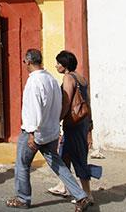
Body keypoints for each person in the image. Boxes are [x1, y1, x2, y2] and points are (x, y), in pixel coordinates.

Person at [5, 49, 90, 210]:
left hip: (35, 132)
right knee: (58, 165)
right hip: (50, 131)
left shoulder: (34, 81)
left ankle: (23, 198)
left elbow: (33, 109)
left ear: (28, 61)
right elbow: (59, 104)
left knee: (22, 164)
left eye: (25, 61)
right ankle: (80, 195)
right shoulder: (51, 79)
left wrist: (31, 133)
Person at [47, 51, 94, 202]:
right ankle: (63, 185)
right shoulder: (81, 78)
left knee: (78, 158)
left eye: (58, 63)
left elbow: (66, 102)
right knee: (64, 155)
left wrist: (57, 119)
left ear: (65, 65)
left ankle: (87, 194)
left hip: (73, 123)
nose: (56, 66)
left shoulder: (68, 78)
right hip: (82, 121)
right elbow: (87, 102)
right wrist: (90, 126)